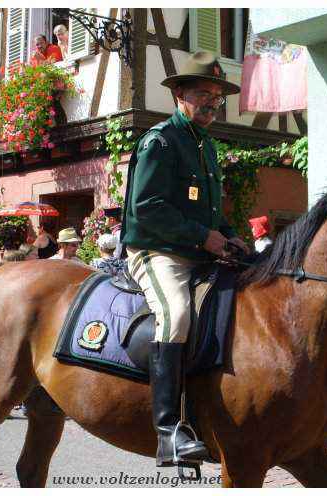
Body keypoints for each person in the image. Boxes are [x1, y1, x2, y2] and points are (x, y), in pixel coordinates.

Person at [121, 50, 249, 466]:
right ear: (179, 95)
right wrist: (204, 237)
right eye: (202, 93)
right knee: (176, 313)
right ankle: (168, 431)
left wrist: (231, 236)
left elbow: (212, 213)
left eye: (217, 95)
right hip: (158, 252)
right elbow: (148, 208)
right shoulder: (159, 141)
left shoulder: (207, 146)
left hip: (200, 251)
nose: (212, 102)